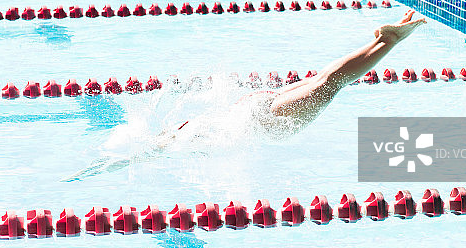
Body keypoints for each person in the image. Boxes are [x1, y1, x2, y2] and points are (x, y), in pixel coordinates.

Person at [63, 10, 425, 181]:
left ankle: (387, 40)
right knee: (324, 81)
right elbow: (133, 158)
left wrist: (94, 171)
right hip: (262, 113)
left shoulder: (170, 140)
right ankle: (383, 39)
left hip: (266, 118)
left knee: (327, 83)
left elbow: (134, 159)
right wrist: (97, 169)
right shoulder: (174, 134)